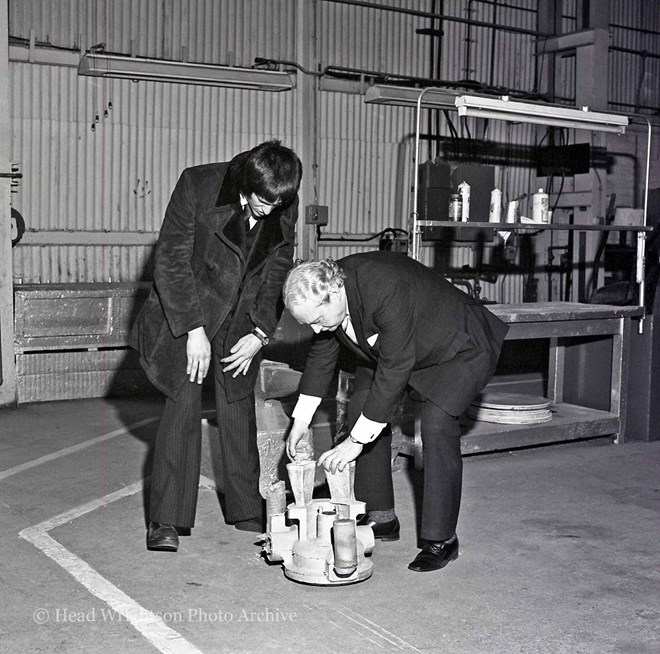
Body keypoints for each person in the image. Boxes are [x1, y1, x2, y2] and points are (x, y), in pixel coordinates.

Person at [283, 251, 508, 572]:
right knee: (363, 404)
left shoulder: (382, 287)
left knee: (436, 422)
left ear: (334, 294)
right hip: (403, 346)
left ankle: (442, 540)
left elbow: (395, 368)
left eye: (317, 321)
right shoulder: (328, 295)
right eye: (310, 324)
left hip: (459, 340)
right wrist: (301, 421)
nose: (317, 330)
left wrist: (355, 442)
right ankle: (382, 517)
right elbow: (322, 355)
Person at [130, 140, 303, 552]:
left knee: (238, 403)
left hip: (242, 315)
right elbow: (170, 261)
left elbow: (279, 267)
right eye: (263, 202)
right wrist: (193, 330)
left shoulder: (281, 198)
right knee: (183, 404)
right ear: (247, 183)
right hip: (190, 307)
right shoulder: (198, 184)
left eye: (279, 205)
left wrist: (260, 331)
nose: (270, 211)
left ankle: (245, 507)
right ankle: (166, 520)